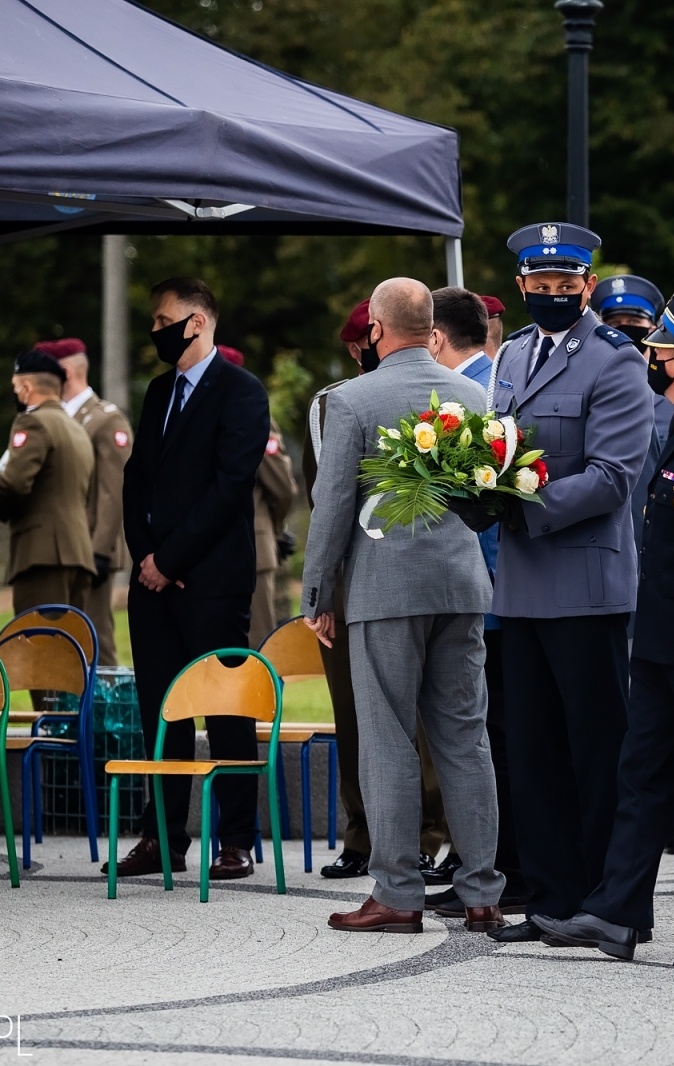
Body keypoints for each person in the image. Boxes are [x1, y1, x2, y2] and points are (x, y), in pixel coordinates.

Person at [532, 289, 674, 960]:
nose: (650, 359)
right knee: (641, 778)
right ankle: (618, 912)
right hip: (663, 647)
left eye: (659, 351)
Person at [300, 278, 504, 934]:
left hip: (384, 589)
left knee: (387, 739)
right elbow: (485, 499)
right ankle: (480, 893)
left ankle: (397, 895)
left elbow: (332, 506)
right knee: (466, 738)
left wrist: (315, 593)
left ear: (379, 332)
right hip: (461, 585)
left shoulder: (352, 400)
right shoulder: (475, 393)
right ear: (433, 329)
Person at [484, 222, 652, 943]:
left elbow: (614, 476)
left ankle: (611, 904)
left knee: (597, 754)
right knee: (532, 752)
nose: (550, 296)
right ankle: (550, 900)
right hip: (520, 588)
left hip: (585, 586)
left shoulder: (615, 361)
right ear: (522, 286)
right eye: (538, 286)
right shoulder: (515, 354)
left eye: (564, 285)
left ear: (587, 286)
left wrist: (523, 509)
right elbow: (492, 445)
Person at [113, 276, 270, 882]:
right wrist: (146, 556)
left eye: (163, 320)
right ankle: (161, 837)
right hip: (153, 584)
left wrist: (171, 561)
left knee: (225, 710)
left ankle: (235, 840)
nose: (156, 330)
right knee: (160, 711)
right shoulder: (158, 392)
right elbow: (136, 480)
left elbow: (229, 488)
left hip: (210, 582)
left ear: (197, 321)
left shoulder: (241, 393)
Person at [304, 301, 454, 880]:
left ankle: (425, 831)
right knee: (352, 711)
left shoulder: (441, 391)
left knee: (419, 715)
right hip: (353, 569)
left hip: (410, 567)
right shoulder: (332, 402)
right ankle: (362, 832)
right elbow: (327, 496)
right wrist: (323, 590)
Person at [591, 274, 674, 855]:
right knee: (627, 699)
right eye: (617, 329)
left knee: (666, 689)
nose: (629, 342)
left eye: (638, 331)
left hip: (657, 564)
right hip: (612, 561)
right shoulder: (603, 389)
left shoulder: (669, 406)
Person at [425, 287, 525, 911]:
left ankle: (493, 870)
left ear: (436, 338)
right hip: (490, 594)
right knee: (484, 737)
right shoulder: (488, 385)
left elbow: (481, 512)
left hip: (486, 597)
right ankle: (478, 866)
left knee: (488, 738)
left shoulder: (476, 398)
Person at [39, 338, 133, 666]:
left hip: (91, 550)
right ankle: (68, 715)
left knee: (95, 638)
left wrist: (99, 550)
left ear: (66, 371)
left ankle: (107, 717)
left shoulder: (105, 419)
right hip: (62, 549)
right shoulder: (55, 417)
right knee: (58, 641)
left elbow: (113, 490)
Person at [0, 350, 95, 617]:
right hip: (78, 551)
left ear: (26, 388)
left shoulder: (32, 422)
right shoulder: (78, 429)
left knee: (38, 648)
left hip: (41, 554)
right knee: (71, 649)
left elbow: (13, 482)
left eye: (15, 387)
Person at [214, 346, 299, 651]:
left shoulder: (251, 416)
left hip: (251, 549)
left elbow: (281, 488)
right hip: (211, 554)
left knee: (256, 644)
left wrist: (273, 531)